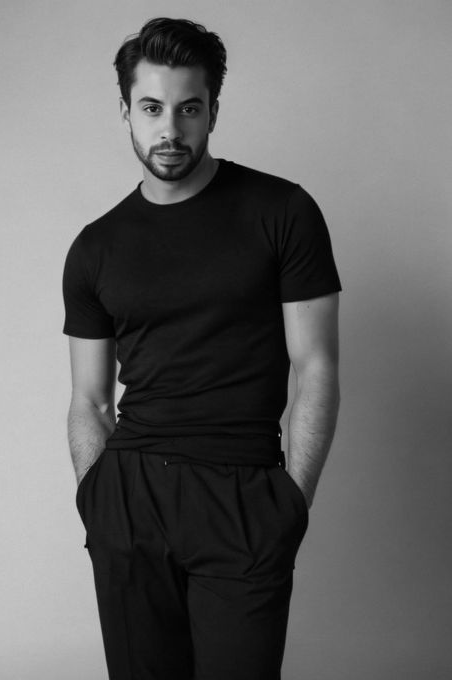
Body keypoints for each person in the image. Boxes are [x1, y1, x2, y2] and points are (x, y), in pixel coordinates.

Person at [62, 16, 341, 680]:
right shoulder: (95, 246)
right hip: (129, 497)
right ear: (125, 112)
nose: (170, 129)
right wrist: (97, 500)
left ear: (213, 110)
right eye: (151, 108)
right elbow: (90, 400)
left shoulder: (282, 212)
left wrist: (291, 503)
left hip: (242, 493)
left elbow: (315, 367)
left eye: (189, 108)